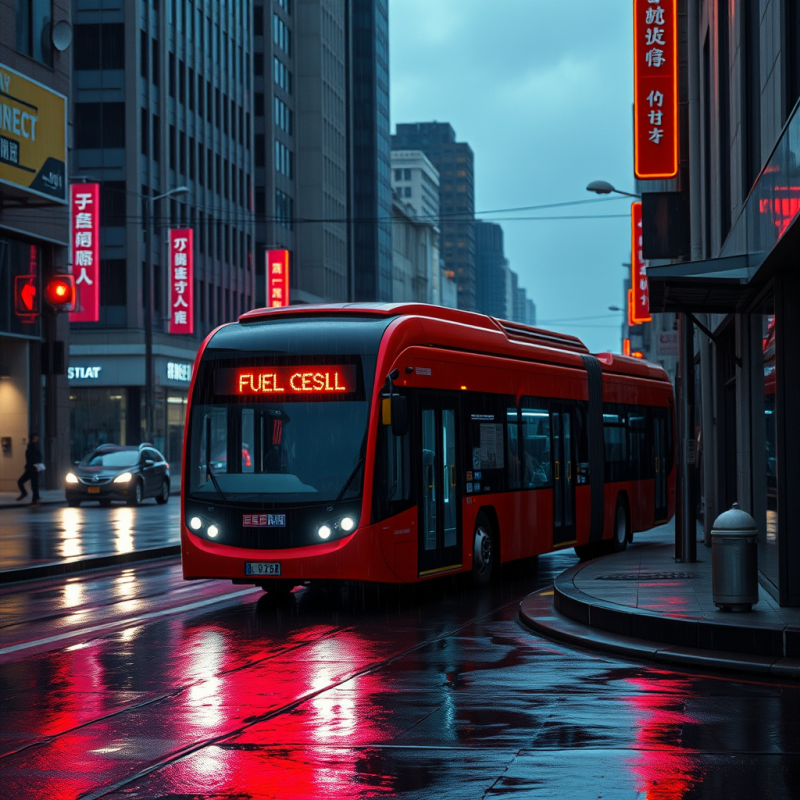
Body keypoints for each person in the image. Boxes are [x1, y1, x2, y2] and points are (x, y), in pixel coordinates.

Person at [16, 433, 42, 506]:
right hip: (33, 468)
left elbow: (34, 458)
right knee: (33, 484)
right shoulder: (33, 447)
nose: (36, 439)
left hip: (32, 468)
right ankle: (35, 499)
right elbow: (35, 458)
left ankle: (34, 499)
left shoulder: (33, 447)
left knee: (32, 484)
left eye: (36, 438)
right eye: (35, 438)